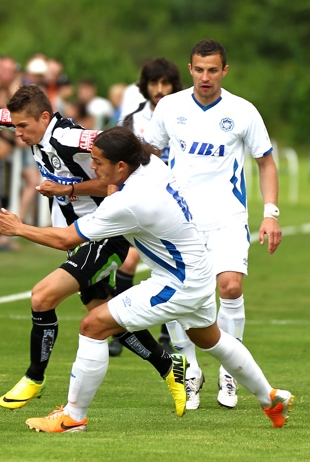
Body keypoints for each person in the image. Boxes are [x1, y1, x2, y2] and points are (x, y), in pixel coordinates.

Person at [0, 126, 293, 432]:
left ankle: (73, 416)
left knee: (93, 326)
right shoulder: (150, 165)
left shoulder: (129, 201)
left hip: (177, 281)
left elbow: (67, 239)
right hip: (195, 270)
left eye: (98, 162)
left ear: (121, 166)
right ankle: (271, 398)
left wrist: (18, 228)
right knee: (208, 338)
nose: (91, 167)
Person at [0, 83, 188, 416]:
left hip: (102, 235)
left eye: (23, 127)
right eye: (14, 125)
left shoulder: (69, 138)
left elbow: (120, 148)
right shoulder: (28, 124)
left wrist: (68, 187)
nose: (17, 133)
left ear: (45, 117)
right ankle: (168, 366)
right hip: (78, 237)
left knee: (42, 297)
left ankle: (35, 377)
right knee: (102, 316)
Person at [145, 39, 282, 411]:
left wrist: (271, 213)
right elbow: (149, 153)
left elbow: (265, 162)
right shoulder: (170, 108)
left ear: (225, 71)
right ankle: (188, 371)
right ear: (189, 69)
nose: (205, 77)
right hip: (179, 221)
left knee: (231, 287)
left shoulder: (242, 111)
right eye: (199, 69)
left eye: (213, 70)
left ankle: (230, 370)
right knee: (178, 297)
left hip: (227, 217)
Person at [109, 57, 183, 357]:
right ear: (145, 86)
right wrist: (113, 195)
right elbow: (114, 161)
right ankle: (120, 331)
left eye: (165, 83)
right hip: (137, 202)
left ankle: (167, 334)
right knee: (128, 264)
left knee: (171, 269)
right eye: (154, 83)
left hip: (172, 204)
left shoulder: (181, 116)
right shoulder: (131, 120)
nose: (160, 89)